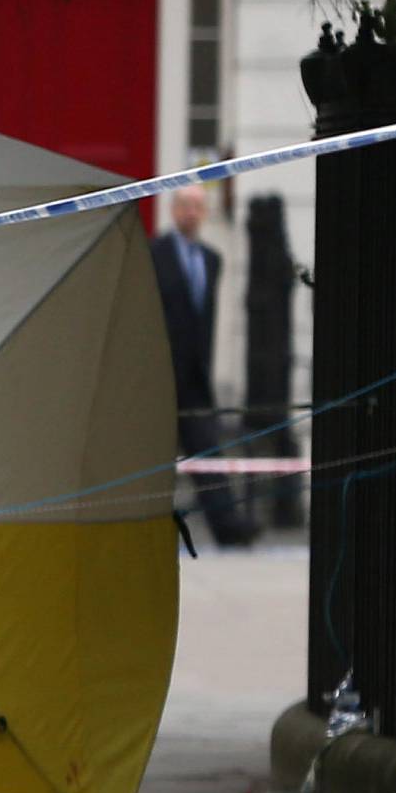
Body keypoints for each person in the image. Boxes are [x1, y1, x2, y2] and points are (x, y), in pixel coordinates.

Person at [150, 181, 255, 547]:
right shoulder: (155, 254)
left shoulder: (212, 259)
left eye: (197, 206)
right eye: (184, 205)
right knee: (152, 459)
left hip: (195, 378)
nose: (190, 213)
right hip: (160, 378)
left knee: (207, 452)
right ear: (173, 210)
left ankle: (227, 526)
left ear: (205, 213)